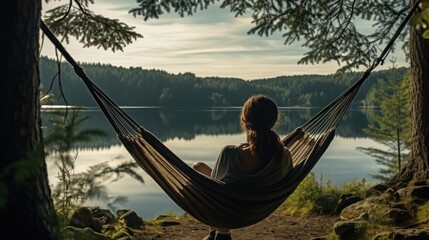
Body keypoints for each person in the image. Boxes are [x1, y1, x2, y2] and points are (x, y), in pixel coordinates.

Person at [192, 94, 293, 240]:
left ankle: (217, 232)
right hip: (256, 209)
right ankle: (217, 233)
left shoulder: (230, 153)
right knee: (199, 167)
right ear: (274, 121)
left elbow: (214, 187)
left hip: (227, 210)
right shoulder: (284, 155)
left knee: (197, 171)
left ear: (244, 120)